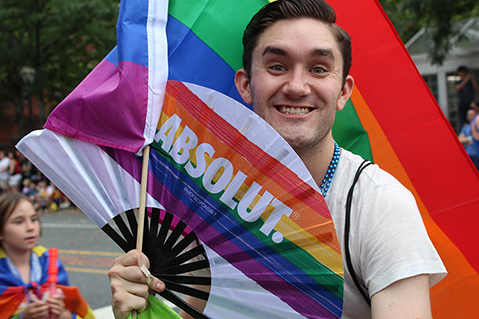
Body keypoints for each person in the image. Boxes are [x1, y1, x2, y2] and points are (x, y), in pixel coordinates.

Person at [108, 1, 446, 318]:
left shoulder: (378, 205)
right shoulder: (208, 197)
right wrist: (142, 308)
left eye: (318, 68)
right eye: (277, 66)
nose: (297, 86)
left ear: (343, 91)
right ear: (245, 85)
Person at [0, 193, 72, 318]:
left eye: (34, 219)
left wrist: (60, 312)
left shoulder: (49, 262)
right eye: (18, 222)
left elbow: (72, 312)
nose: (30, 227)